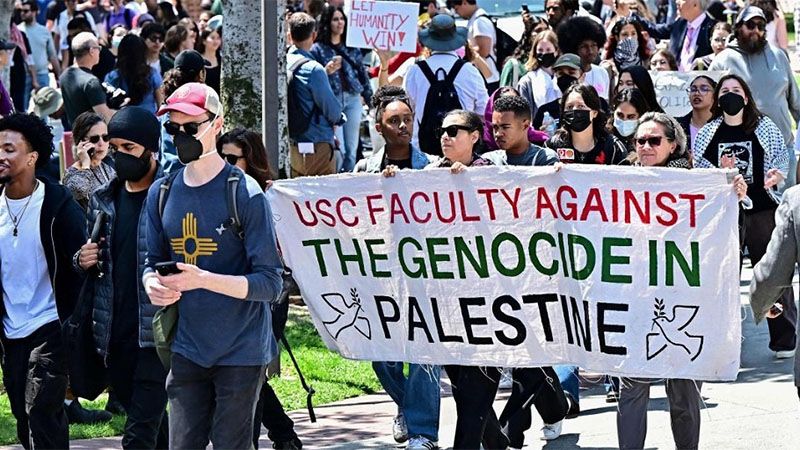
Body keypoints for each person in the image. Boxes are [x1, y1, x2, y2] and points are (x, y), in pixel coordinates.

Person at [144, 82, 284, 449]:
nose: (180, 136)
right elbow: (148, 262)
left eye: (191, 127)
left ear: (216, 124)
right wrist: (151, 284)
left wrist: (204, 279)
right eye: (173, 128)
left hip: (241, 350)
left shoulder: (245, 193)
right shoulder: (161, 192)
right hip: (187, 347)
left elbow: (270, 283)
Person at [618, 112, 747, 449]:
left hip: (681, 297)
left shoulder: (695, 184)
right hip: (633, 297)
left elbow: (722, 236)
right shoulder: (618, 180)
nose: (645, 147)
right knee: (631, 387)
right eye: (640, 141)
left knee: (684, 392)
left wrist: (732, 195)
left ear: (672, 144)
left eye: (654, 140)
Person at [75, 106, 169, 449]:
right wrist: (81, 258)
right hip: (114, 334)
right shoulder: (103, 199)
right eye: (113, 148)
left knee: (138, 436)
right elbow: (89, 255)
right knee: (149, 424)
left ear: (150, 149)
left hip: (157, 334)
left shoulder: (172, 195)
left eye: (128, 148)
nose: (118, 156)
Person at [354, 86, 440, 450]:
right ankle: (406, 405)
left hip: (425, 275)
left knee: (424, 355)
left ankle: (423, 432)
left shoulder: (433, 168)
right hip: (383, 275)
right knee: (383, 354)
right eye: (394, 121)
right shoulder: (362, 169)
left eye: (407, 119)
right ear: (378, 126)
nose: (403, 126)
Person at [692, 74, 796, 358]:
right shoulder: (709, 132)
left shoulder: (764, 127)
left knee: (774, 273)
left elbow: (781, 158)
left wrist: (778, 175)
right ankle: (724, 341)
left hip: (763, 211)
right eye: (724, 90)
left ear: (746, 97)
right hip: (725, 216)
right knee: (723, 276)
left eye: (736, 90)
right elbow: (699, 172)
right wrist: (719, 172)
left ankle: (784, 337)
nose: (730, 95)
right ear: (717, 98)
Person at [0, 112, 86, 449]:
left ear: (32, 157)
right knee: (23, 417)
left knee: (41, 411)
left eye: (9, 149)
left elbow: (80, 261)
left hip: (51, 324)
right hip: (10, 331)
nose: (1, 156)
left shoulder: (56, 204)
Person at [709, 6, 800, 187]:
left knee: (785, 210)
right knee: (750, 211)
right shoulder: (722, 61)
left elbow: (796, 104)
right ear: (738, 27)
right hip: (742, 152)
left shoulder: (779, 56)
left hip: (782, 150)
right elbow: (710, 109)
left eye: (761, 26)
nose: (756, 31)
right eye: (750, 25)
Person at [403, 14, 488, 154]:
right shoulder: (470, 71)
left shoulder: (414, 72)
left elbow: (407, 111)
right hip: (462, 152)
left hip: (423, 150)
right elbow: (482, 112)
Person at [310, 4, 372, 173]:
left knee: (352, 150)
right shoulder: (318, 49)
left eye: (342, 19)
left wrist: (368, 98)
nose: (340, 23)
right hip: (332, 101)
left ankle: (349, 185)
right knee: (340, 150)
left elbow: (362, 73)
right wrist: (327, 71)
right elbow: (314, 78)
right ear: (327, 23)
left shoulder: (352, 47)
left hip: (353, 98)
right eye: (335, 19)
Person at [286, 12, 344, 177]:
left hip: (291, 145)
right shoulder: (314, 68)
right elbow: (332, 110)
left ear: (289, 35)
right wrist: (340, 118)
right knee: (323, 196)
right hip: (317, 142)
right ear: (314, 35)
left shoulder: (281, 62)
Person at [546, 82, 628, 164]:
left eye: (581, 106)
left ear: (594, 113)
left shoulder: (613, 147)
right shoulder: (552, 145)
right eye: (569, 107)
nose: (574, 110)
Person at [638, 0, 717, 72]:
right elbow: (655, 30)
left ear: (695, 4)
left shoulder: (713, 28)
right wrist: (629, 14)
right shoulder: (680, 23)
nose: (677, 2)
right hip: (675, 81)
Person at [59, 31, 116, 126]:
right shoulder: (91, 82)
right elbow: (105, 118)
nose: (100, 52)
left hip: (77, 135)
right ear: (92, 51)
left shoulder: (64, 75)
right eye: (99, 48)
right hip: (93, 137)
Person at [62, 111, 115, 209]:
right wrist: (85, 163)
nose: (101, 143)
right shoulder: (72, 174)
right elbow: (80, 191)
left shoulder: (108, 165)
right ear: (81, 143)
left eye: (105, 137)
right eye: (95, 139)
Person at [104, 34, 163, 114]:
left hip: (123, 120)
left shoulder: (112, 76)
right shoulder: (152, 73)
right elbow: (161, 104)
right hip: (149, 120)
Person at [556, 16, 610, 100]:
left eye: (593, 45)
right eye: (584, 46)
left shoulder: (602, 73)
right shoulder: (564, 78)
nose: (590, 51)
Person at [451, 0, 500, 92]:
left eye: (456, 8)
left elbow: (484, 51)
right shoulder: (475, 20)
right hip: (483, 76)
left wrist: (462, 50)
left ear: (464, 3)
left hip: (488, 77)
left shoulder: (480, 21)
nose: (457, 12)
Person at [17, 0, 62, 93]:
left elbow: (52, 56)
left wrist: (59, 76)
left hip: (43, 75)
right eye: (20, 11)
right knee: (21, 107)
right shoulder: (17, 31)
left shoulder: (44, 31)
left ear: (34, 12)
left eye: (25, 11)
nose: (22, 13)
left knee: (45, 106)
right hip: (23, 76)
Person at [516, 30, 560, 120]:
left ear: (556, 51)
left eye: (548, 50)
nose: (544, 54)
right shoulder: (527, 81)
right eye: (540, 50)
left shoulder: (564, 77)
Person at [500, 15, 548, 88]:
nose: (544, 34)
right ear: (529, 36)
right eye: (538, 31)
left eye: (546, 30)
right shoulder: (514, 65)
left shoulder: (552, 63)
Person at [676, 74, 716, 151]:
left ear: (714, 95)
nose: (697, 93)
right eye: (693, 89)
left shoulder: (723, 125)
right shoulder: (677, 126)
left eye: (704, 89)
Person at [610, 87, 649, 152]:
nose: (624, 120)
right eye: (620, 115)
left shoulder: (649, 140)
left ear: (641, 116)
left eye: (631, 117)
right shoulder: (604, 137)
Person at [196, 27, 221, 93]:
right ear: (204, 41)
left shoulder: (222, 60)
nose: (216, 41)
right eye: (212, 38)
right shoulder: (198, 59)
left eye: (218, 38)